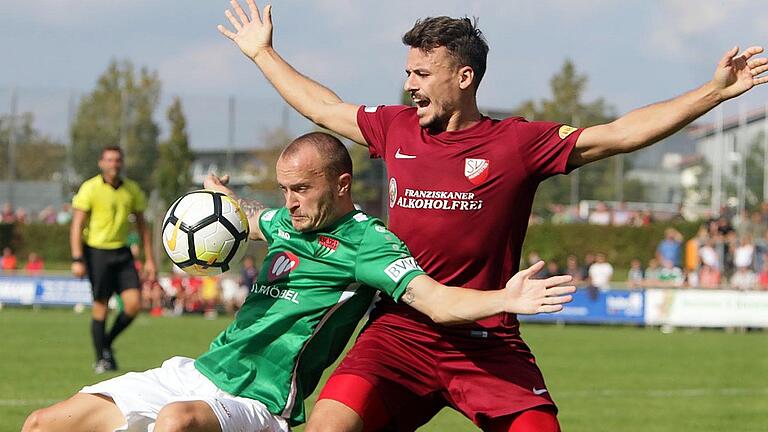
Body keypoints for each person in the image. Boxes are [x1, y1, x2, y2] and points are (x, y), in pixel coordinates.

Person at [217, 2, 768, 430]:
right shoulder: (396, 128)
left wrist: (712, 93)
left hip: (487, 343)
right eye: (408, 71)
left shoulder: (517, 144)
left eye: (421, 73)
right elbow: (322, 108)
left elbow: (619, 134)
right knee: (327, 427)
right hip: (399, 333)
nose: (409, 84)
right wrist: (262, 53)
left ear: (463, 78)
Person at [22, 132, 575, 432]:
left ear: (339, 185)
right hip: (195, 373)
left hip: (261, 403)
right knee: (43, 423)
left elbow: (435, 300)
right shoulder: (286, 220)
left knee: (175, 426)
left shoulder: (369, 244)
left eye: (300, 190)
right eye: (283, 189)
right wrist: (220, 197)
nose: (288, 202)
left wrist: (506, 297)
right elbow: (250, 215)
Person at [69, 145, 157, 374]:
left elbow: (142, 225)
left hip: (122, 252)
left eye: (117, 160)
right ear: (101, 163)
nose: (114, 164)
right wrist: (77, 258)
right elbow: (77, 224)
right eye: (109, 160)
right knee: (101, 308)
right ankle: (101, 358)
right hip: (97, 252)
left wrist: (150, 259)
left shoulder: (132, 190)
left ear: (122, 163)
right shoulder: (90, 188)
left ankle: (106, 343)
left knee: (134, 304)